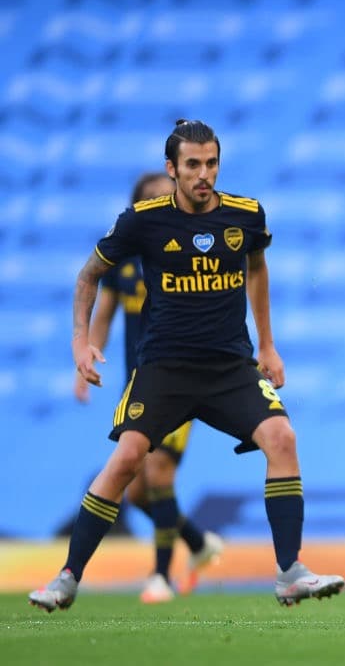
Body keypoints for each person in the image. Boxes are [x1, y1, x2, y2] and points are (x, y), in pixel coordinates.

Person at [29, 119, 345, 612]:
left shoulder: (246, 215)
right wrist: (80, 343)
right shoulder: (142, 220)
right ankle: (68, 578)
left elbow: (257, 268)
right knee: (128, 460)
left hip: (230, 368)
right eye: (193, 164)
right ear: (171, 168)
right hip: (165, 370)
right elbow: (90, 276)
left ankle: (289, 572)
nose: (204, 174)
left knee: (282, 438)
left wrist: (267, 345)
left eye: (211, 163)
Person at [71, 172, 224, 603]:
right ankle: (197, 543)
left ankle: (160, 576)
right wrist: (86, 358)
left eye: (167, 194)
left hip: (182, 380)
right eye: (152, 197)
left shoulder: (191, 254)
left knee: (158, 472)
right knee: (137, 491)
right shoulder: (123, 261)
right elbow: (104, 314)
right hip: (138, 385)